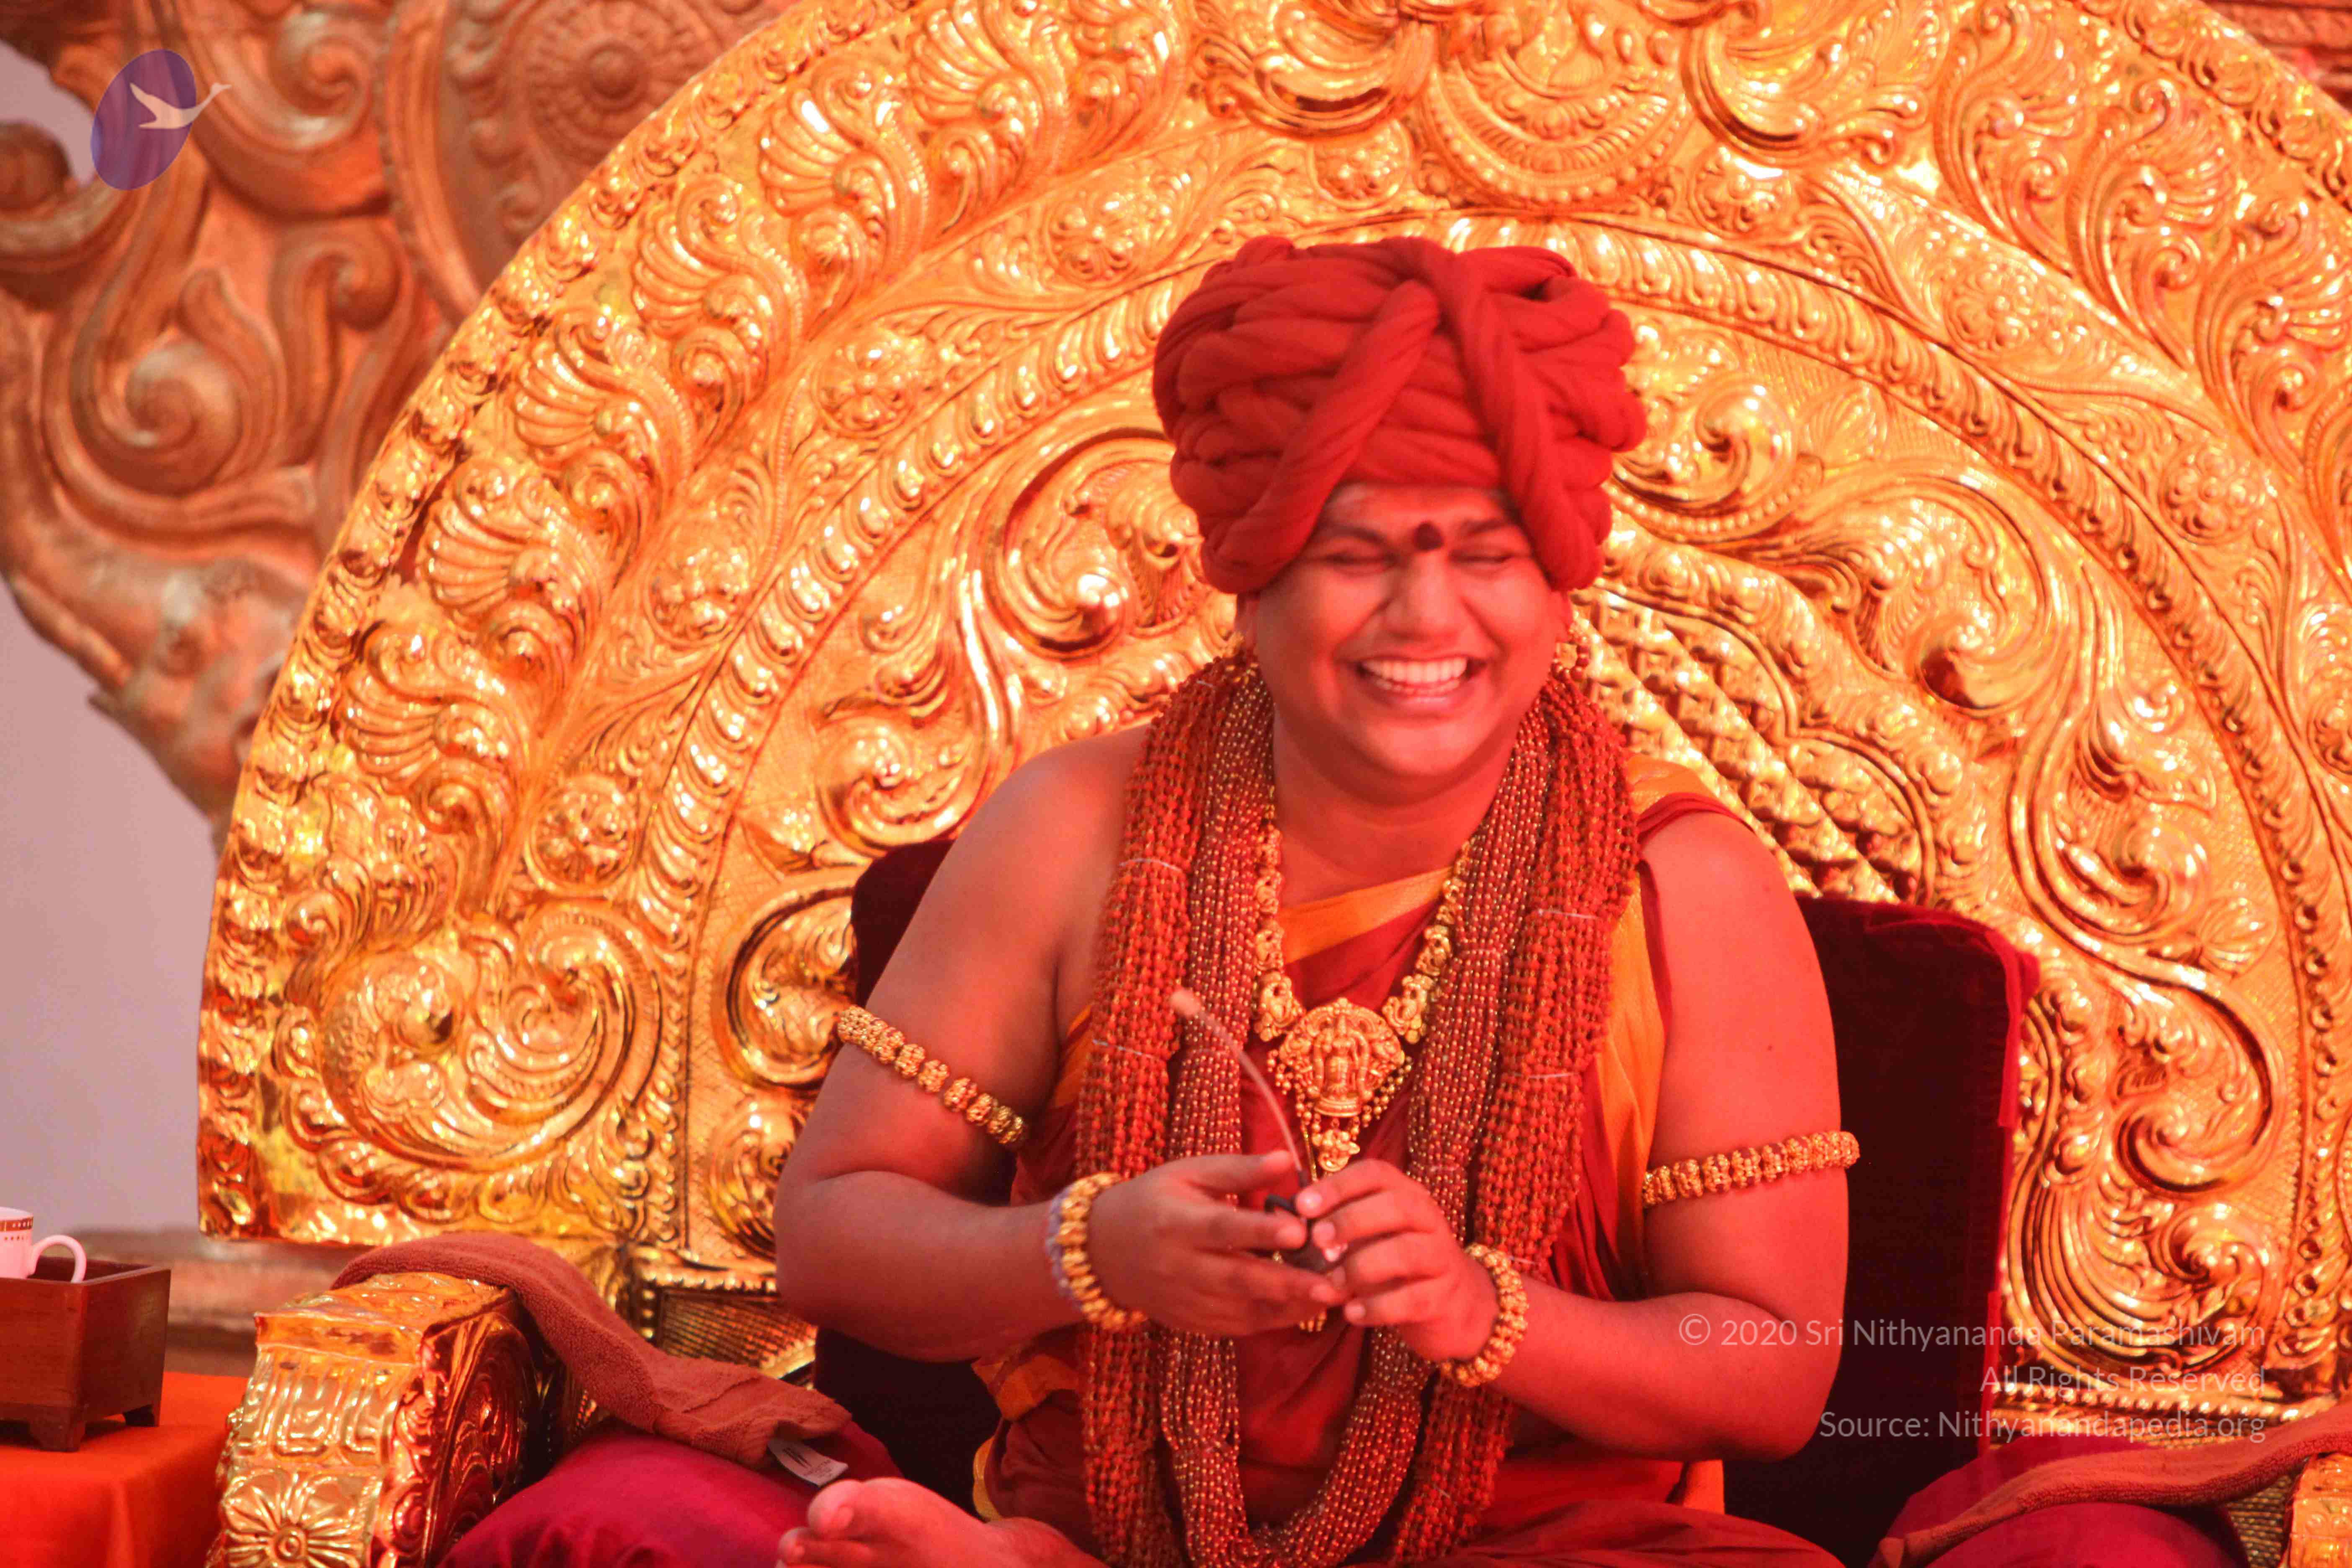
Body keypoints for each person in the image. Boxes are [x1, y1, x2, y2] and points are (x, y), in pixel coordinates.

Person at [764, 235, 1853, 1567]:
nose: (1426, 616)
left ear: (1562, 586)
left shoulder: (1686, 883)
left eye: (1487, 554)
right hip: (1120, 1530)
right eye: (1355, 554)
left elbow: (1777, 1372)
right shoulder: (1073, 829)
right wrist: (1089, 1250)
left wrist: (1483, 1313)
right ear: (1248, 578)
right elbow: (830, 1235)